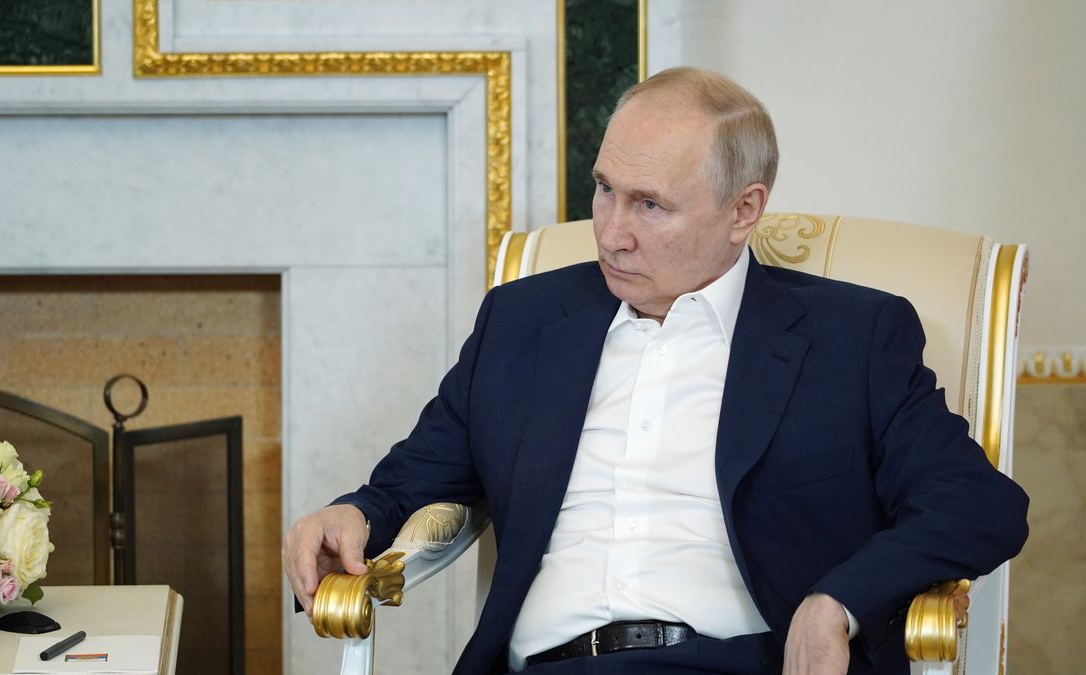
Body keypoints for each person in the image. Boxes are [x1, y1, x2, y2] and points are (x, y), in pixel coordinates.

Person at [283, 67, 1028, 674]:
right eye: (605, 189)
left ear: (744, 210)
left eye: (649, 205)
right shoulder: (525, 320)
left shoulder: (851, 336)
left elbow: (978, 504)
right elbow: (419, 475)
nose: (611, 232)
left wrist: (836, 602)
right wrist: (356, 513)